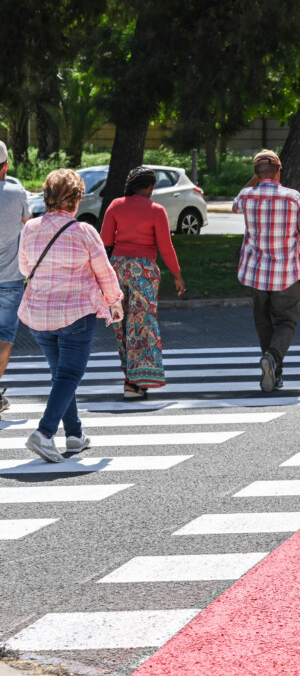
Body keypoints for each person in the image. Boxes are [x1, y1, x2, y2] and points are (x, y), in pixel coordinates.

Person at [18, 169, 124, 463]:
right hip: (76, 315)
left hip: (39, 317)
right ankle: (44, 433)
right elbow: (104, 272)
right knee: (69, 376)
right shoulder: (84, 231)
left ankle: (75, 434)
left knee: (61, 376)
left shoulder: (31, 228)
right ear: (76, 200)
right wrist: (115, 302)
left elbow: (25, 269)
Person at [234, 150, 300, 392]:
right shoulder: (293, 198)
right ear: (279, 170)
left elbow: (235, 204)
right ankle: (273, 359)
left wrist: (256, 178)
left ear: (256, 173)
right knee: (286, 321)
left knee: (264, 323)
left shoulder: (246, 196)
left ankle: (275, 372)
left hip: (256, 273)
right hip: (286, 274)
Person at [100, 167, 186, 399]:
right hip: (144, 272)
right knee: (142, 324)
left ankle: (129, 379)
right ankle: (138, 381)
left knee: (122, 323)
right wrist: (177, 274)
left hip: (118, 268)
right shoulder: (156, 210)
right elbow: (166, 247)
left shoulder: (115, 206)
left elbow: (105, 240)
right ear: (150, 187)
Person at [0, 141, 32, 414]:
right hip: (10, 279)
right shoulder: (16, 192)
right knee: (5, 337)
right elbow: (29, 226)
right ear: (6, 166)